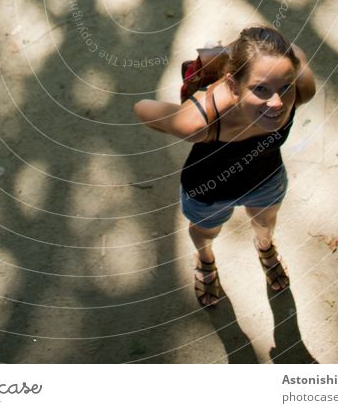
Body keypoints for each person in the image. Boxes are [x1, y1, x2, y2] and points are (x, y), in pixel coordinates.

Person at [133, 26, 316, 306]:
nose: (277, 103)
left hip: (266, 180)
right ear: (233, 85)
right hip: (208, 191)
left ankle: (265, 247)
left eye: (285, 86)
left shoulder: (302, 90)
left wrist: (230, 52)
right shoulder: (199, 121)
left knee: (265, 222)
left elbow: (297, 53)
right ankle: (205, 260)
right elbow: (142, 108)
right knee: (206, 231)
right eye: (260, 89)